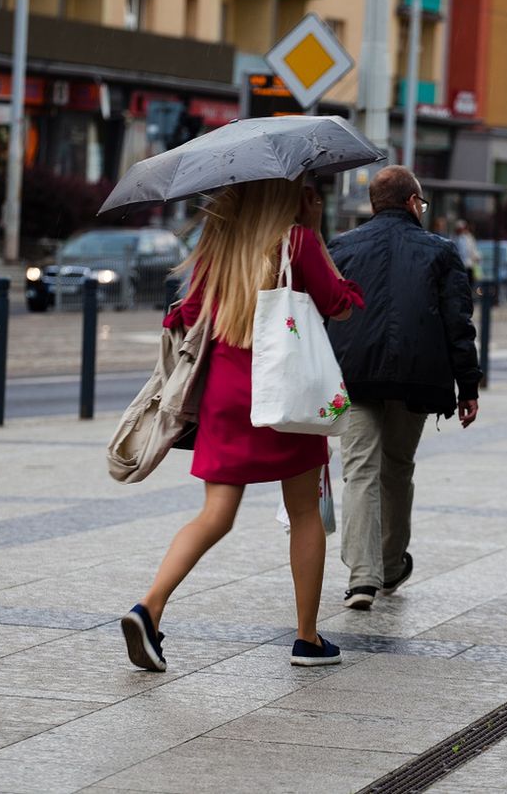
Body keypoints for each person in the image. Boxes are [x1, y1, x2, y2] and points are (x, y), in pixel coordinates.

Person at [121, 177, 364, 673]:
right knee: (305, 514)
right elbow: (338, 302)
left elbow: (186, 314)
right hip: (285, 394)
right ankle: (307, 638)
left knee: (216, 513)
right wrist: (315, 232)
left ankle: (150, 607)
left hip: (226, 395)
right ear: (287, 194)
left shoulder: (219, 243)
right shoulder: (294, 241)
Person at [326, 166, 481, 610]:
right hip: (417, 377)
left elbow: (326, 312)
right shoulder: (440, 251)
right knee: (397, 468)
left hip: (353, 375)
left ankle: (362, 579)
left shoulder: (342, 246)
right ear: (413, 203)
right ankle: (391, 565)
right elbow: (458, 323)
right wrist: (467, 385)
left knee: (359, 471)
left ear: (374, 204)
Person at [454, 219, 482, 290]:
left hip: (469, 265)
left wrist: (476, 257)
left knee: (469, 284)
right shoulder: (455, 239)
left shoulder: (469, 238)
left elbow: (473, 250)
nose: (462, 230)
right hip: (460, 265)